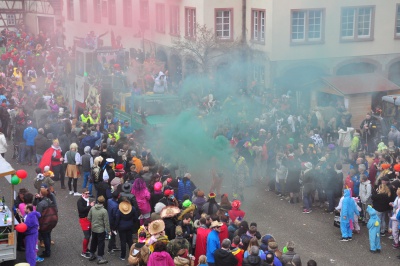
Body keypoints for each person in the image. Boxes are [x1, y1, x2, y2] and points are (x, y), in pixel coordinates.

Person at [35, 185, 57, 258]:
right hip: (51, 221)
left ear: (41, 193)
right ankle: (48, 250)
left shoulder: (41, 204)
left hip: (44, 222)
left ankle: (47, 252)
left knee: (45, 237)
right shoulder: (49, 200)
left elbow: (38, 215)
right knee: (48, 235)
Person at [88, 195, 111, 264]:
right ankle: (100, 257)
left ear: (97, 201)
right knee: (101, 243)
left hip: (94, 228)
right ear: (103, 202)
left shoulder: (92, 208)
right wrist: (109, 231)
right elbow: (106, 222)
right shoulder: (104, 211)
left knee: (93, 241)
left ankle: (92, 254)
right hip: (101, 230)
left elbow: (89, 218)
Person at [77, 190, 94, 258]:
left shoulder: (86, 199)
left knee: (89, 235)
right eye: (86, 193)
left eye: (88, 193)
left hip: (88, 219)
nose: (88, 195)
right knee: (87, 236)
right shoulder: (80, 201)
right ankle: (83, 252)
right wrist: (90, 206)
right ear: (83, 193)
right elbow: (81, 210)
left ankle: (86, 249)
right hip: (84, 220)